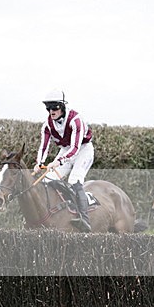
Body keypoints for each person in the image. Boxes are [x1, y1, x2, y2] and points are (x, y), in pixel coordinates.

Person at [32, 89, 94, 232]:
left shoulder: (76, 120)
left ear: (62, 106)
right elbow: (44, 146)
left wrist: (59, 161)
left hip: (83, 150)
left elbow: (76, 148)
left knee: (74, 180)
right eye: (48, 108)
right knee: (47, 179)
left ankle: (84, 219)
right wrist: (39, 163)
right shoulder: (47, 125)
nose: (51, 111)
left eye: (54, 107)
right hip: (65, 150)